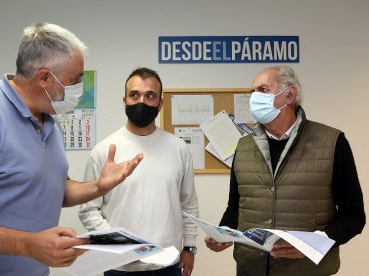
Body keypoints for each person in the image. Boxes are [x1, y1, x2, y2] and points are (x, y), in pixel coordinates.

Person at [0, 22, 143, 276]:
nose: (80, 87)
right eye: (75, 80)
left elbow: (56, 188)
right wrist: (29, 245)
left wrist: (99, 186)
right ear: (44, 77)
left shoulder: (48, 121)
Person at [205, 65, 365, 276]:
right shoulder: (243, 146)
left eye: (262, 90)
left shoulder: (332, 142)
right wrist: (223, 232)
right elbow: (236, 207)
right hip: (250, 268)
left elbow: (353, 216)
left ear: (289, 95)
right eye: (252, 92)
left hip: (308, 271)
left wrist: (313, 244)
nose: (254, 97)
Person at [78, 67, 199, 276]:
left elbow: (188, 204)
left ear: (160, 104)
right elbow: (88, 210)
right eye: (134, 95)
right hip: (120, 267)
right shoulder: (103, 151)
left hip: (168, 266)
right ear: (124, 101)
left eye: (150, 95)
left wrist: (189, 248)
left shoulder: (178, 148)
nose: (141, 101)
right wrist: (118, 243)